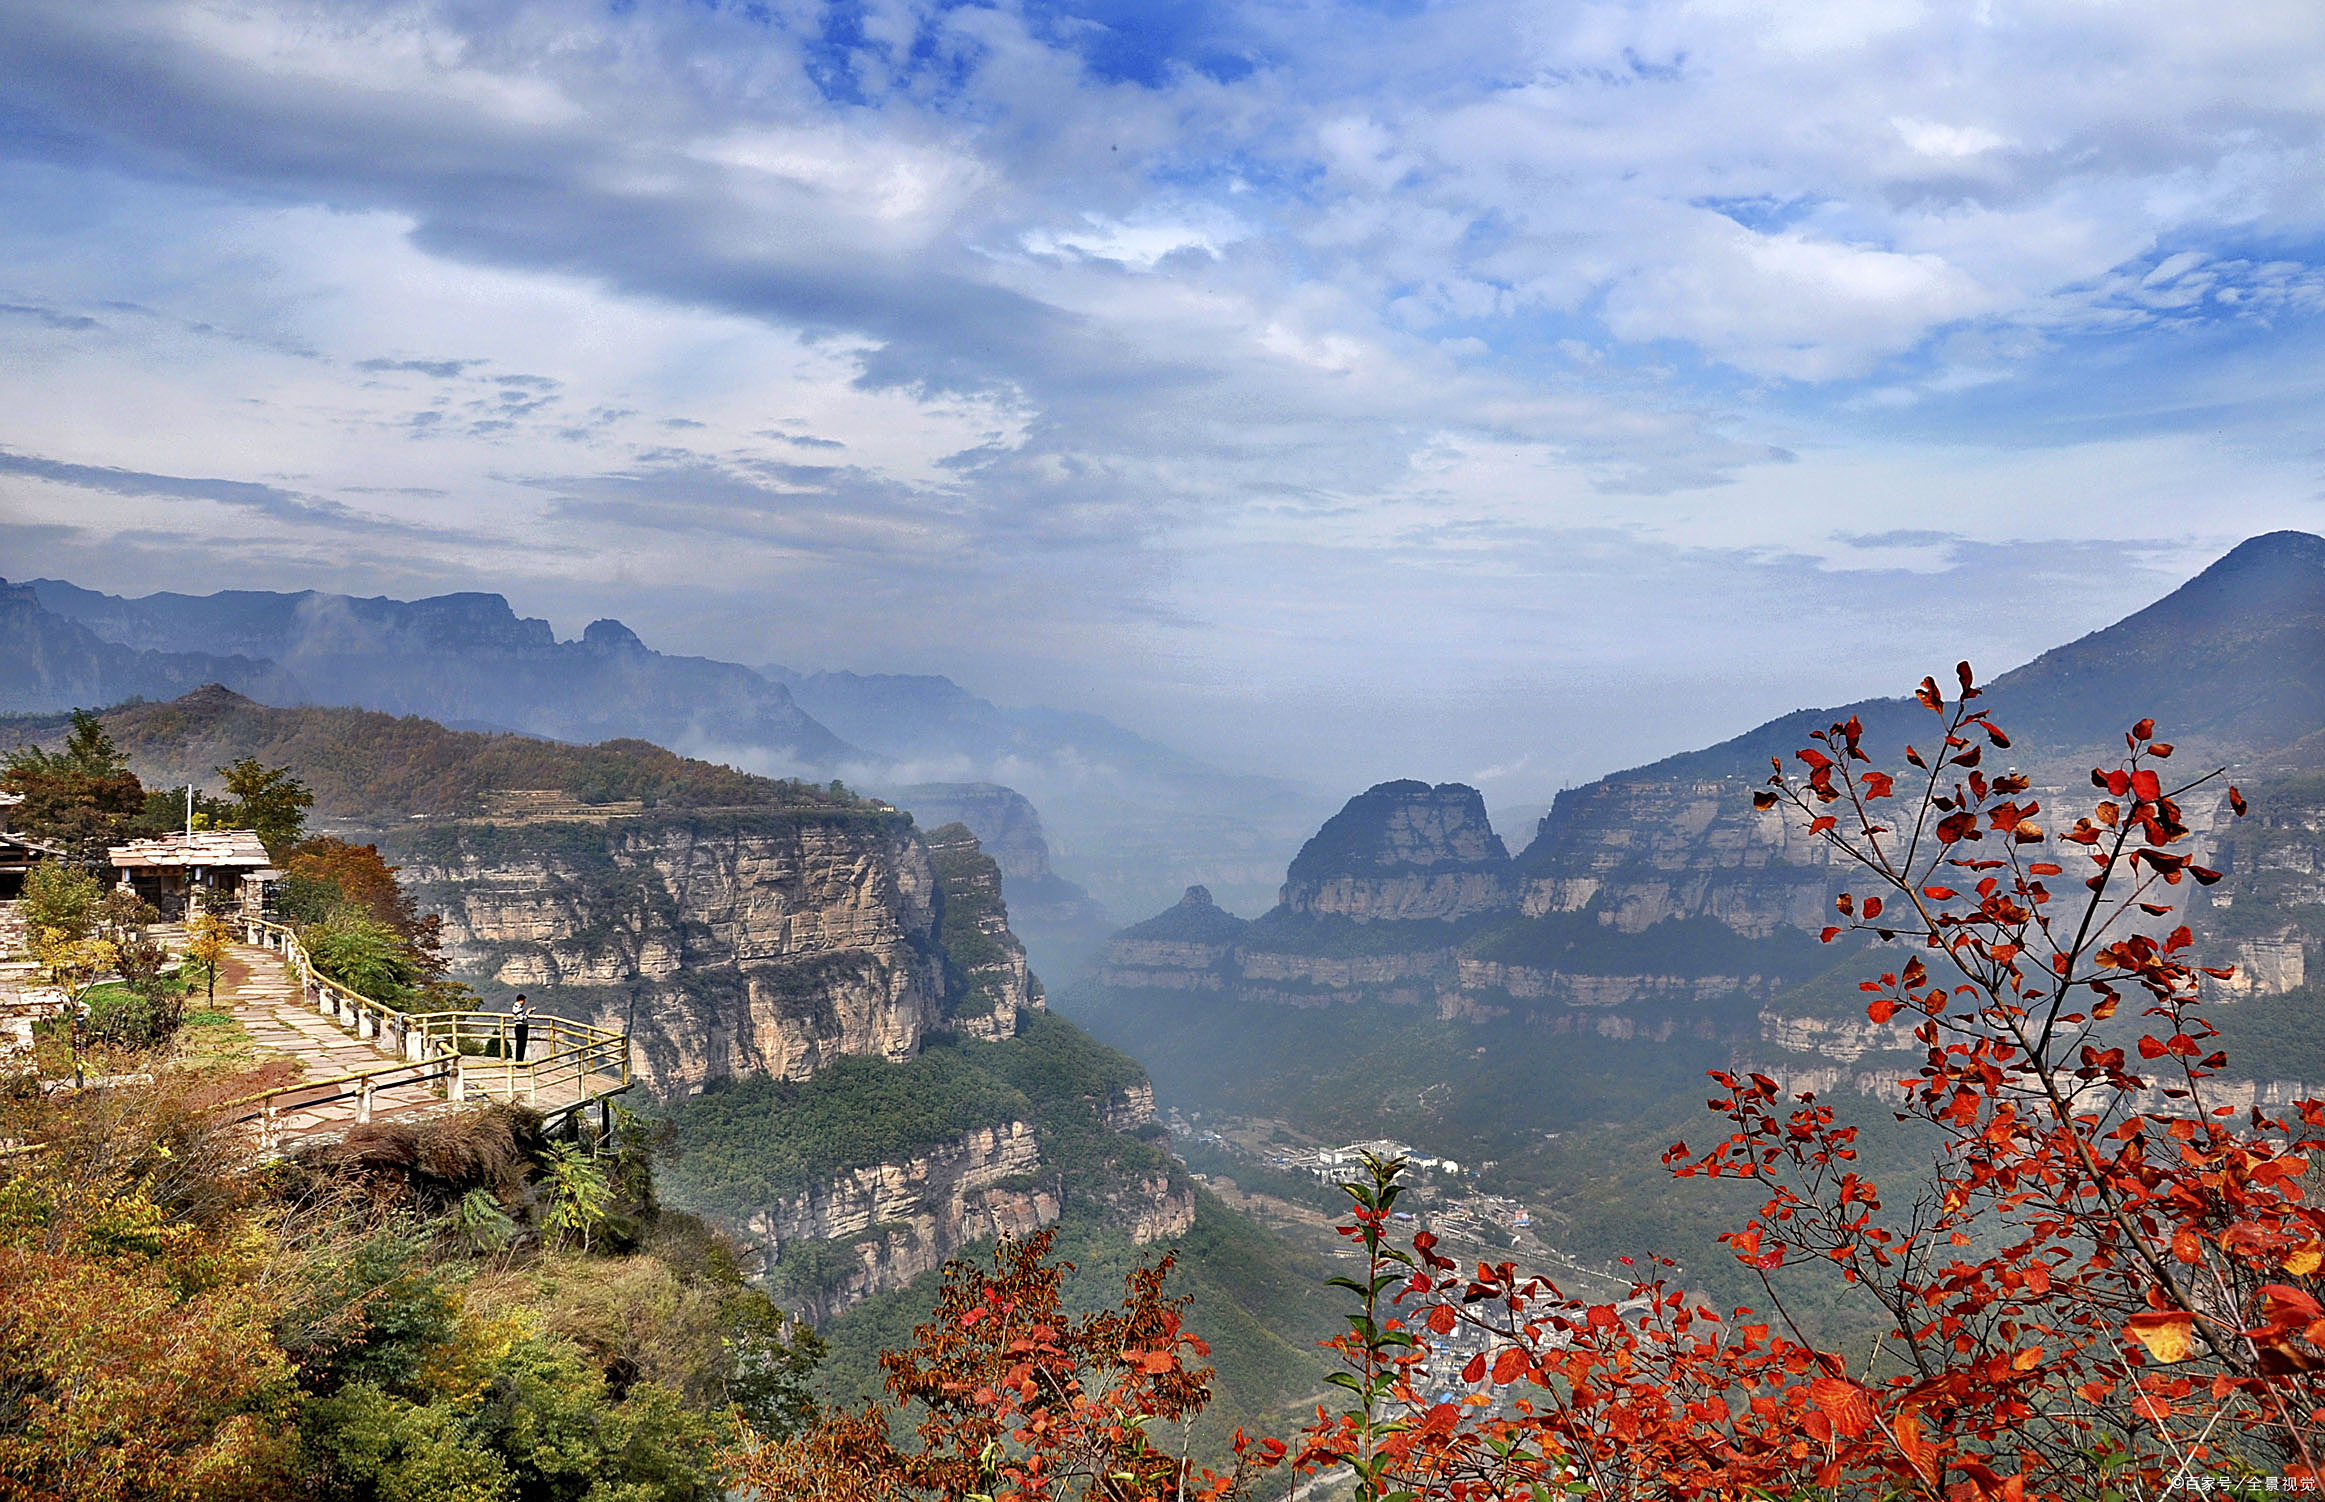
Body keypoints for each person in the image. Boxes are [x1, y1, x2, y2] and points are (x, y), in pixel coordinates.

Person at [510, 993, 531, 1062]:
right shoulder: (517, 1007)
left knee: (522, 1045)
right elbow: (522, 1018)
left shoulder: (519, 1007)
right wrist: (527, 1013)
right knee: (520, 1045)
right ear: (521, 1000)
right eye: (524, 1000)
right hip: (520, 1027)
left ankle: (520, 1061)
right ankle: (519, 1061)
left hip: (522, 1027)